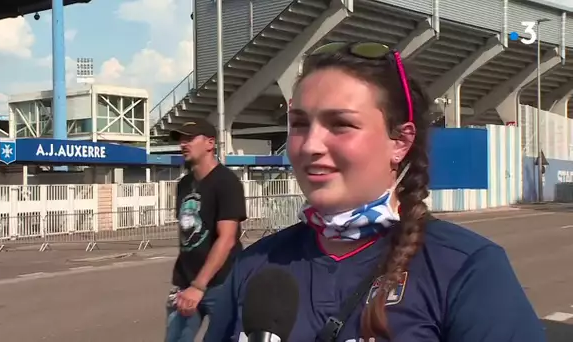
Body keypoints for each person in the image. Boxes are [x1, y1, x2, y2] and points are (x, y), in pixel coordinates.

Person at [205, 42, 546, 341]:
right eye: (299, 123)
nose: (310, 145)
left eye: (341, 124)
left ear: (400, 141)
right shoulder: (255, 265)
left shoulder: (467, 268)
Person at [165, 119, 247, 342]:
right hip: (185, 283)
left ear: (210, 143)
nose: (183, 144)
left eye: (189, 138)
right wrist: (186, 284)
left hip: (221, 285)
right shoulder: (184, 184)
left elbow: (227, 238)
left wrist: (198, 286)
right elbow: (186, 235)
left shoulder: (226, 182)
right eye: (180, 139)